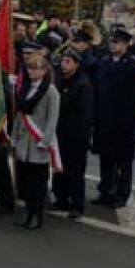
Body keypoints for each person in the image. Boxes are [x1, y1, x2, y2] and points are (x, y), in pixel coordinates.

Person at [92, 26, 135, 208]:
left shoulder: (134, 64)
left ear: (125, 44)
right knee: (106, 158)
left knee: (123, 160)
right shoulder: (105, 61)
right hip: (104, 119)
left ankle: (122, 194)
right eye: (112, 42)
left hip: (123, 121)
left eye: (117, 42)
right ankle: (106, 190)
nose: (113, 45)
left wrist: (129, 119)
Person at [11, 58, 60, 230]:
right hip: (24, 141)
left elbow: (52, 119)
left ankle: (36, 215)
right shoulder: (25, 88)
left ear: (45, 71)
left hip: (39, 143)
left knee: (37, 182)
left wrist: (45, 142)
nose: (32, 71)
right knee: (24, 180)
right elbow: (20, 114)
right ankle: (27, 210)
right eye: (30, 68)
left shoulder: (51, 91)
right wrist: (14, 137)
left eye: (35, 68)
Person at [51, 49, 94, 219]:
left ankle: (77, 205)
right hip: (59, 132)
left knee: (75, 172)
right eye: (63, 61)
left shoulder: (83, 84)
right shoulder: (59, 80)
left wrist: (82, 137)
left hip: (75, 136)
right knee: (59, 168)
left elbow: (85, 115)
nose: (64, 64)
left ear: (76, 64)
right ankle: (61, 199)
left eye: (68, 62)